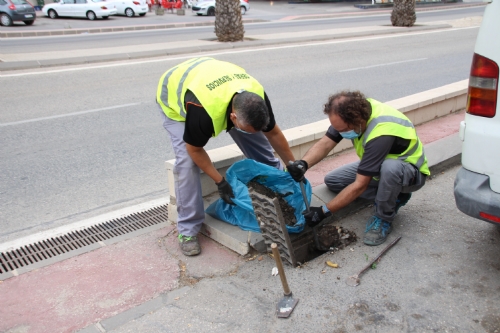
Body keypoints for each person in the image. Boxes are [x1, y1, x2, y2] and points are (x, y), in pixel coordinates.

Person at [157, 57, 296, 256]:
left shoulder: (256, 97)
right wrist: (220, 182)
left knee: (256, 139)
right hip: (176, 98)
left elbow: (273, 133)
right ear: (232, 118)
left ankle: (277, 191)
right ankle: (187, 230)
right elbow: (194, 150)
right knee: (186, 164)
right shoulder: (202, 112)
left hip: (216, 83)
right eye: (241, 125)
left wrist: (292, 164)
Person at [288, 90, 430, 246]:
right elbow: (326, 143)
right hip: (380, 164)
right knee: (334, 180)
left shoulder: (381, 132)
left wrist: (323, 211)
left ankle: (384, 217)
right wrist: (303, 163)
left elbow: (360, 184)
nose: (340, 133)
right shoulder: (354, 111)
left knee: (390, 169)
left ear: (357, 120)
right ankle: (390, 195)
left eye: (342, 130)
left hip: (408, 173)